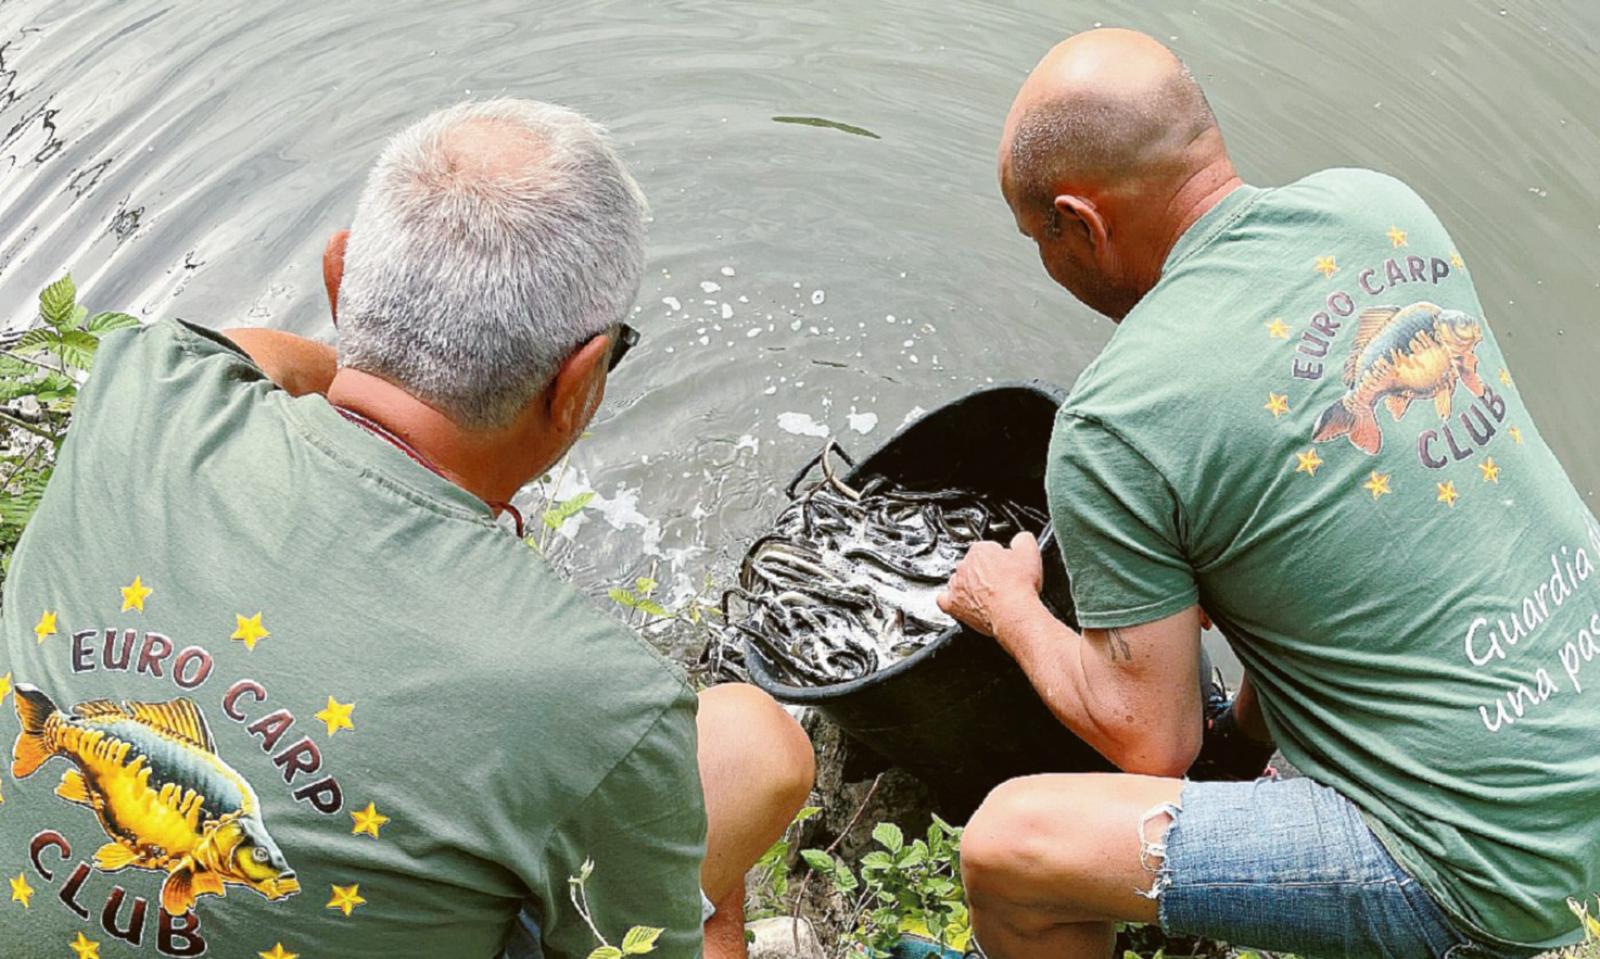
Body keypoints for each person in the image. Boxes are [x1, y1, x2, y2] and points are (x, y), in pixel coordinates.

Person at [0, 98, 813, 959]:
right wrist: (716, 915)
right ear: (578, 379)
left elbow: (248, 348)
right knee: (753, 745)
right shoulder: (606, 700)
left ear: (339, 280)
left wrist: (373, 393)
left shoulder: (147, 382)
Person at [937, 27, 1600, 959]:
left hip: (1485, 872)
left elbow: (1151, 741)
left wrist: (1008, 607)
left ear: (1081, 223)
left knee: (1010, 846)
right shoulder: (1379, 208)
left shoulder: (1114, 420)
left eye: (1038, 237)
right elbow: (1326, 540)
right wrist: (1241, 739)